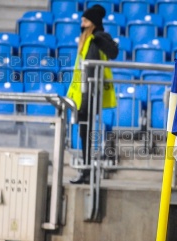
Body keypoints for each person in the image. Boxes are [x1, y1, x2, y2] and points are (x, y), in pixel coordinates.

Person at [67, 4, 118, 184]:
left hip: (91, 93)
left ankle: (88, 170)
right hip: (82, 93)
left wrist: (98, 37)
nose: (82, 22)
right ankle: (87, 169)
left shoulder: (98, 36)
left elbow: (113, 52)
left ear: (93, 22)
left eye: (85, 20)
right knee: (84, 131)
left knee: (87, 131)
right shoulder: (85, 39)